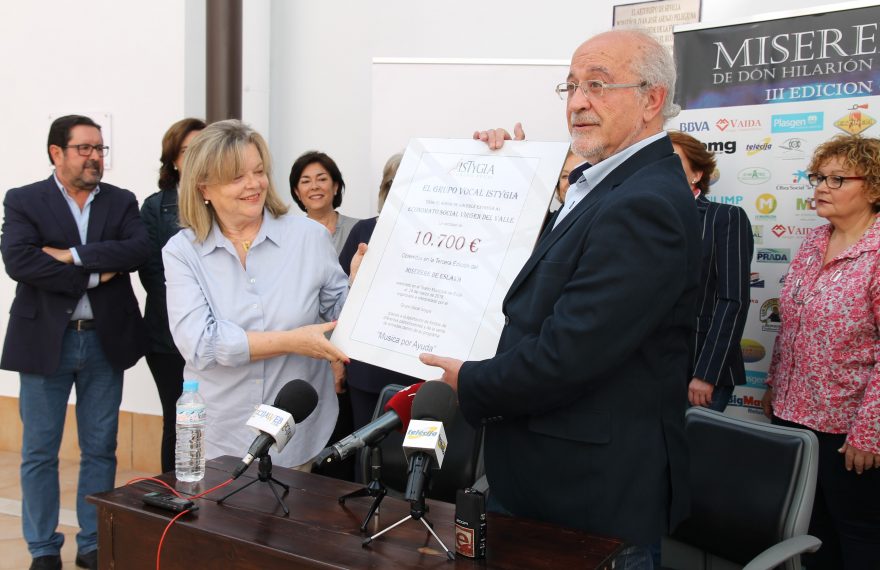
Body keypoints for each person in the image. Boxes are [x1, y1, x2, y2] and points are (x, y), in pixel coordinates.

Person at [421, 29, 700, 556]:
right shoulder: (602, 186)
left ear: (652, 100)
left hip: (589, 500)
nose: (577, 102)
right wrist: (507, 178)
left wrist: (471, 381)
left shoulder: (644, 205)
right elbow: (535, 284)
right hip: (549, 483)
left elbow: (568, 355)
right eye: (570, 86)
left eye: (598, 84)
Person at [1, 115, 150, 570]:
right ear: (56, 153)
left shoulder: (121, 201)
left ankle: (92, 543)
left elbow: (138, 250)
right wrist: (96, 275)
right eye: (85, 148)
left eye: (99, 149)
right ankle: (43, 548)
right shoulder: (24, 199)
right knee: (39, 452)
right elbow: (20, 261)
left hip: (105, 341)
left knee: (100, 448)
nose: (95, 157)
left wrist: (71, 255)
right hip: (45, 341)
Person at [163, 120, 353, 471]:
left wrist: (361, 286)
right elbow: (200, 344)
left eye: (259, 171)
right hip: (221, 435)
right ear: (204, 187)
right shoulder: (182, 251)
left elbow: (340, 315)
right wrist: (293, 341)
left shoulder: (309, 237)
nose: (254, 184)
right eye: (237, 176)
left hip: (297, 438)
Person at [762, 134, 880, 569]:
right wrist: (775, 384)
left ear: (874, 188)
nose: (821, 187)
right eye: (818, 177)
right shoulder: (814, 241)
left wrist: (870, 432)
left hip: (849, 431)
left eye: (837, 179)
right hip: (794, 417)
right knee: (810, 534)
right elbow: (791, 323)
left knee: (859, 536)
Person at [139, 117, 206, 473]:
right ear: (173, 159)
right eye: (186, 150)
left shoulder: (224, 200)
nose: (195, 157)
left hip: (219, 332)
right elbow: (152, 273)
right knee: (177, 419)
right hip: (168, 336)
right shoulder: (155, 206)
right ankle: (173, 491)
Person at [669, 131, 753, 412]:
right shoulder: (643, 221)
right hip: (650, 368)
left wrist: (707, 373)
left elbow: (733, 301)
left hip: (700, 368)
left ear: (697, 174)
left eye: (673, 161)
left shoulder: (725, 217)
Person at [338, 152, 421, 430]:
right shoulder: (364, 231)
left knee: (417, 451)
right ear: (386, 187)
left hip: (421, 368)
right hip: (368, 368)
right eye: (396, 182)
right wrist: (336, 360)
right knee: (366, 446)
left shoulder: (443, 235)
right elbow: (340, 299)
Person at [289, 151, 360, 254]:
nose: (314, 187)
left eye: (322, 179)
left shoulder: (358, 228)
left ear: (335, 186)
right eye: (306, 181)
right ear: (297, 192)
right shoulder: (289, 237)